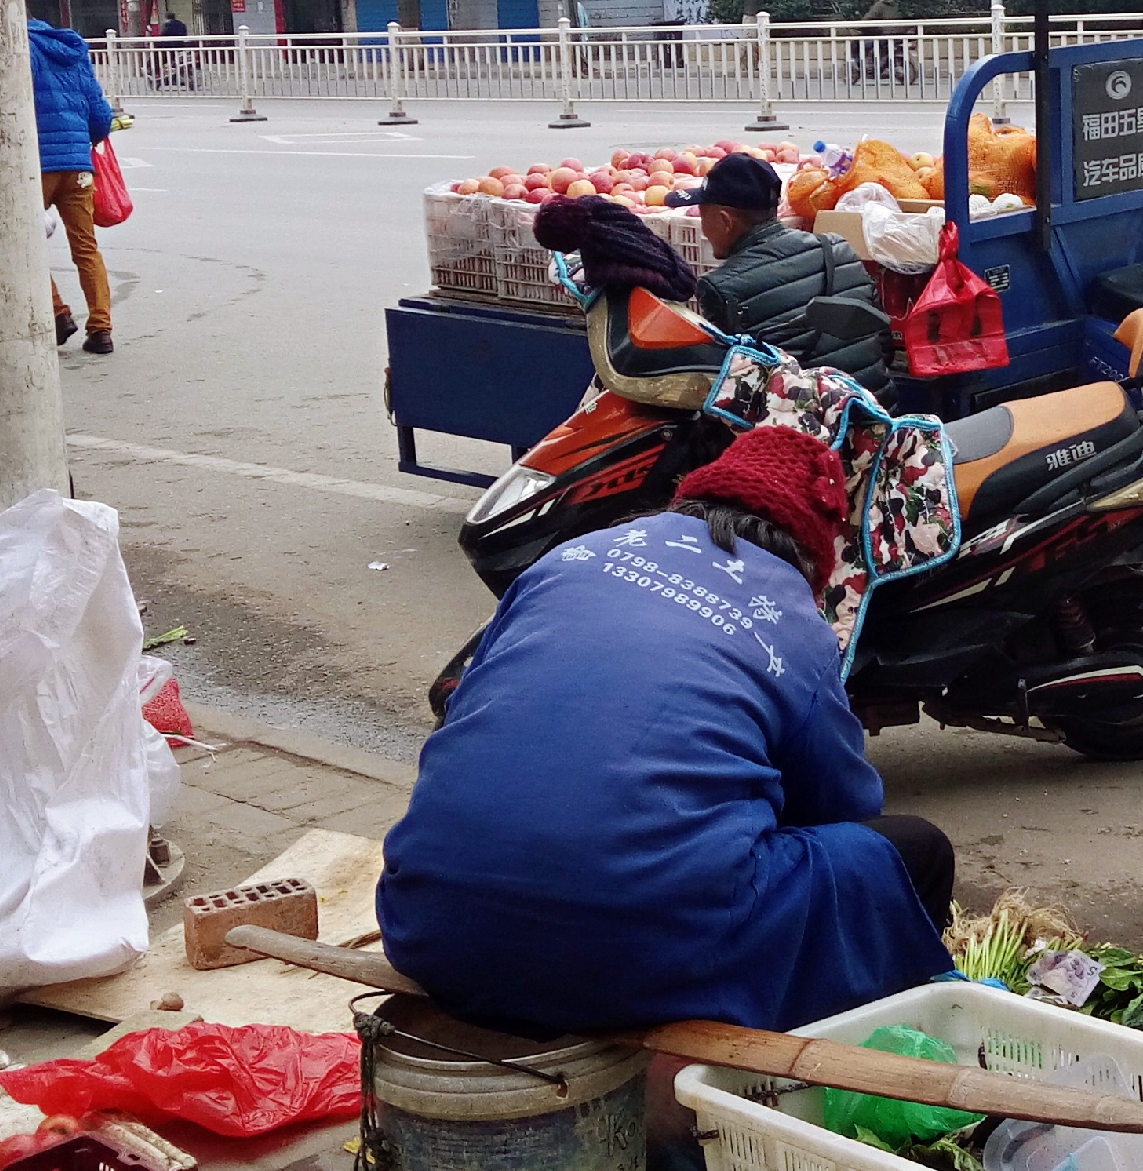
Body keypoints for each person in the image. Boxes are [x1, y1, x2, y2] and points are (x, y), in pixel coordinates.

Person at [378, 424, 954, 1036]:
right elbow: (844, 805)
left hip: (429, 924)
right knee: (911, 852)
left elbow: (465, 701)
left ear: (693, 498)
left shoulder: (574, 556)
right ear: (815, 555)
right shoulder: (792, 619)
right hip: (637, 962)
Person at [691, 150, 885, 376]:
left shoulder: (719, 288)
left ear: (725, 221)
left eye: (703, 217)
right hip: (876, 406)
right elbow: (883, 346)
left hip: (803, 410)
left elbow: (729, 383)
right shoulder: (836, 248)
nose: (704, 228)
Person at [29, 15, 117, 355]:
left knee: (26, 243)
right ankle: (101, 329)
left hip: (37, 165)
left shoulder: (21, 47)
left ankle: (58, 314)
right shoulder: (74, 50)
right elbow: (100, 117)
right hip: (79, 165)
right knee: (86, 247)